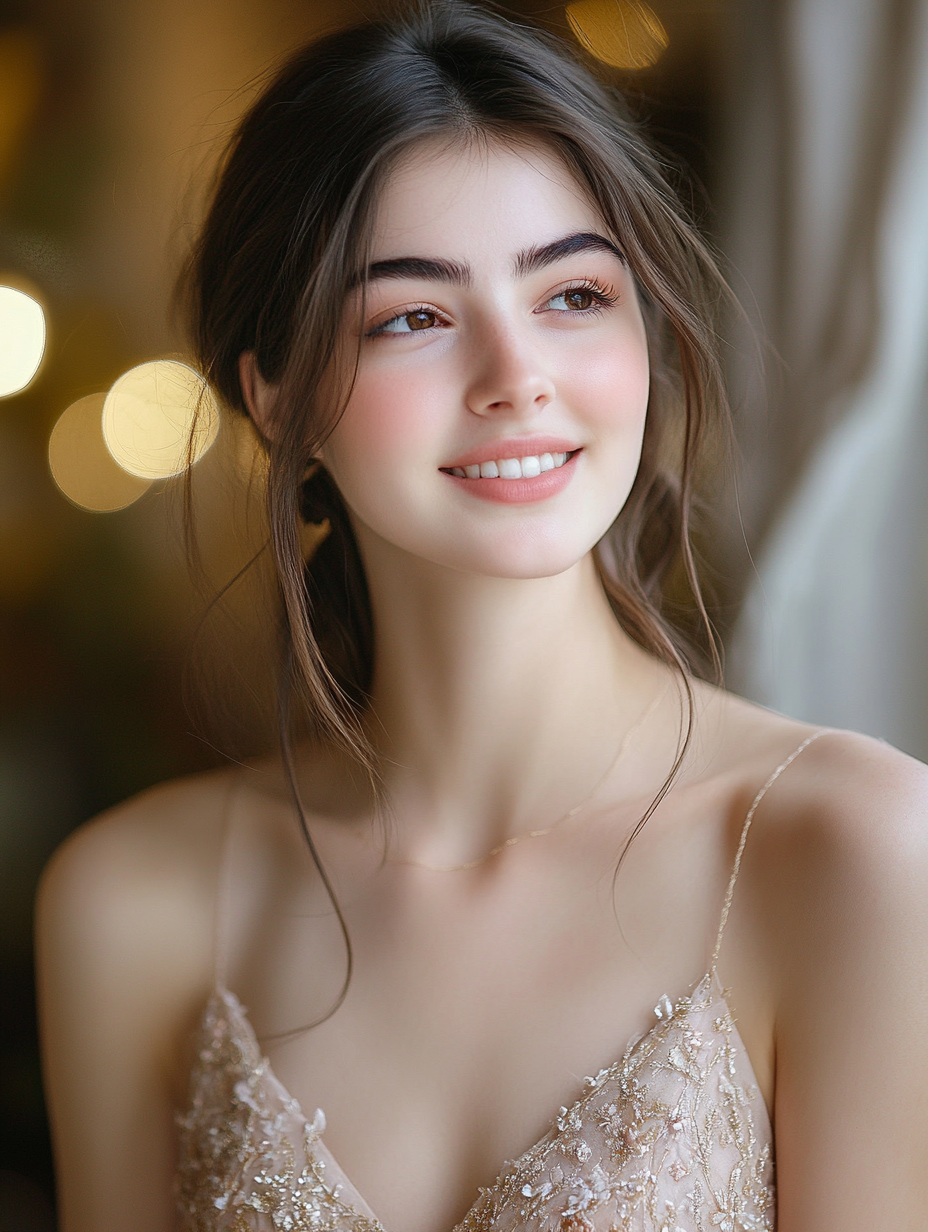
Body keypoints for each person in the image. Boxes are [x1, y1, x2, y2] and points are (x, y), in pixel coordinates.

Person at [35, 5, 928, 1230]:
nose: (517, 374)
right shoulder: (132, 903)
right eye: (413, 315)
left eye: (572, 294)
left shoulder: (847, 852)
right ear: (278, 392)